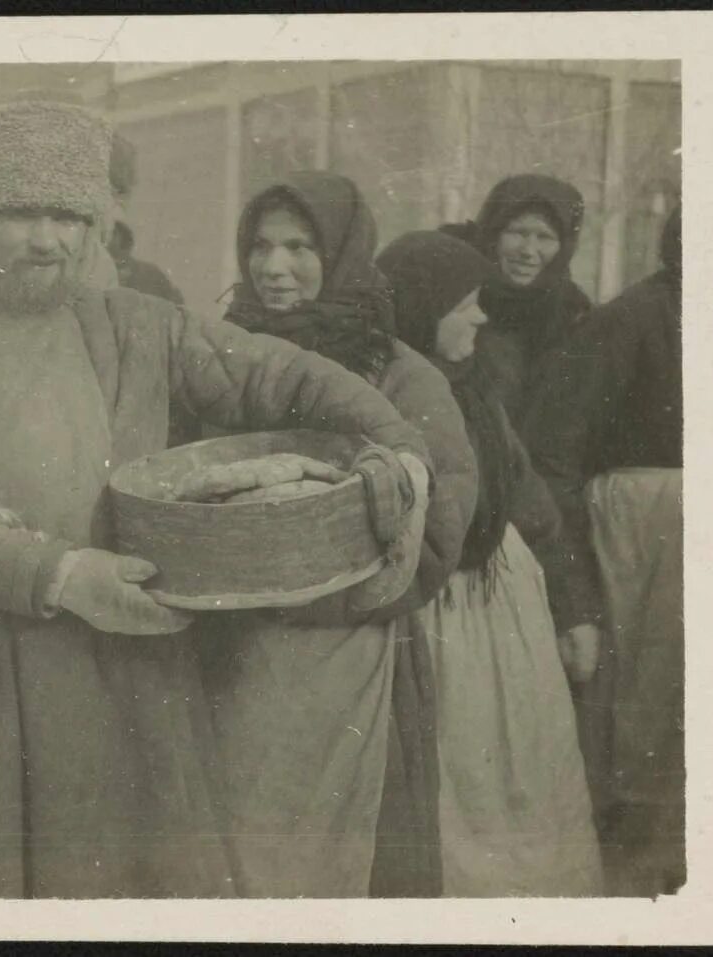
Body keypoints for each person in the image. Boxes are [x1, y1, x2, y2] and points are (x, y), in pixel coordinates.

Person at [0, 100, 435, 899]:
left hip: (135, 681)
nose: (46, 237)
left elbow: (277, 374)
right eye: (22, 213)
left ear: (95, 221)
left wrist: (398, 442)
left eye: (67, 213)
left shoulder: (139, 327)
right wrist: (59, 572)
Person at [199, 173, 478, 898]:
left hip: (358, 651)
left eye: (300, 246)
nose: (274, 266)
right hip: (232, 655)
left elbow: (441, 520)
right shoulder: (215, 362)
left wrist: (314, 590)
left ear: (345, 253)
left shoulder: (398, 374)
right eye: (260, 246)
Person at [378, 230, 603, 896]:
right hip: (431, 624)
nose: (480, 317)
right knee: (450, 785)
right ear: (422, 308)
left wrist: (571, 608)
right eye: (466, 304)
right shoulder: (386, 401)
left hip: (502, 614)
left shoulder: (478, 392)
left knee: (519, 776)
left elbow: (534, 507)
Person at [526, 206, 684, 896]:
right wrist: (576, 589)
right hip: (633, 540)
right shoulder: (630, 318)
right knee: (629, 714)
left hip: (679, 536)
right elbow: (555, 455)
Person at [440, 174, 595, 424]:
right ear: (493, 234)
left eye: (544, 237)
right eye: (517, 232)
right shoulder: (455, 296)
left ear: (565, 245)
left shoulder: (573, 312)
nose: (528, 251)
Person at [107, 220, 186, 307]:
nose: (107, 239)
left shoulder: (151, 272)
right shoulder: (102, 272)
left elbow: (177, 302)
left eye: (113, 234)